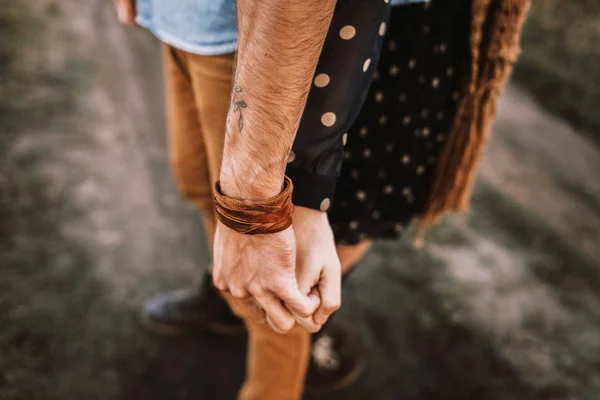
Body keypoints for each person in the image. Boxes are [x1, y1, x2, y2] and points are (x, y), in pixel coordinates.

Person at [113, 0, 531, 398]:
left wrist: (255, 206)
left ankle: (273, 385)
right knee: (198, 184)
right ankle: (228, 303)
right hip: (185, 21)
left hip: (265, 43)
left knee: (287, 267)